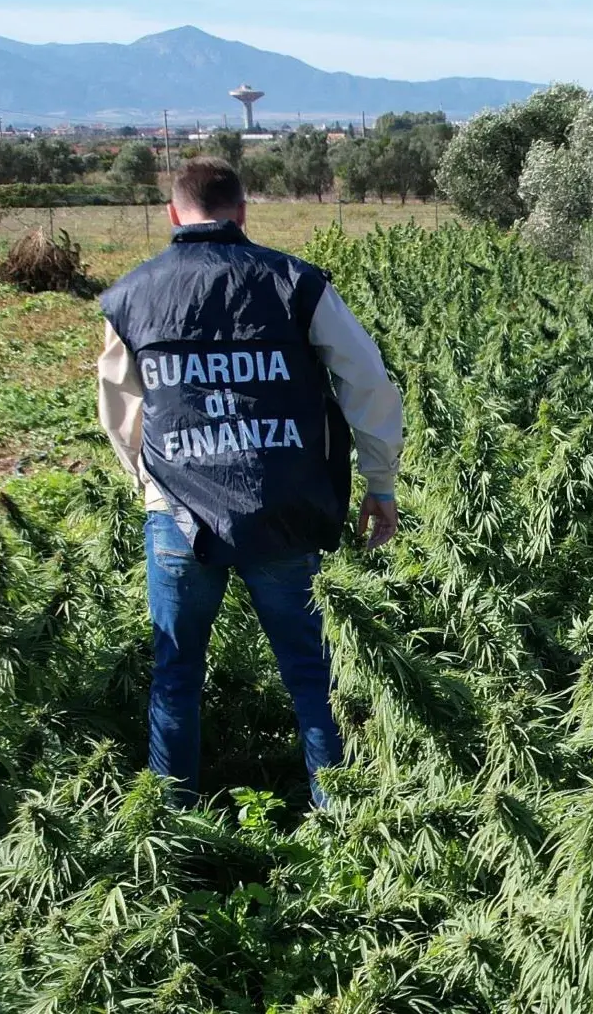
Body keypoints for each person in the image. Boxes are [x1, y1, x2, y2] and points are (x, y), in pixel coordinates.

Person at [97, 157, 405, 809]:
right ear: (243, 211)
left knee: (176, 674)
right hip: (282, 508)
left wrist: (149, 483)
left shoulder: (130, 296)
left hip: (177, 515)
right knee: (312, 674)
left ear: (173, 214)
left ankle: (173, 828)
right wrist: (380, 480)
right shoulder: (296, 282)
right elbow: (367, 378)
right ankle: (342, 824)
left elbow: (119, 409)